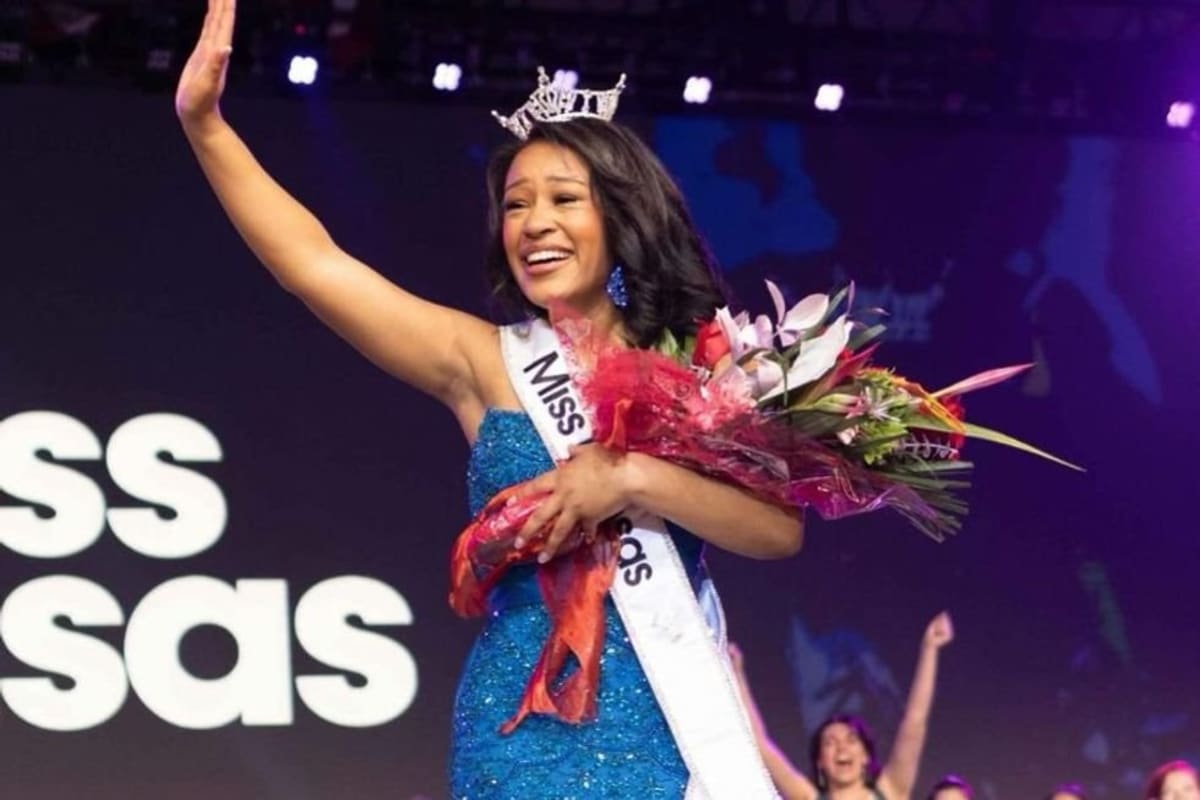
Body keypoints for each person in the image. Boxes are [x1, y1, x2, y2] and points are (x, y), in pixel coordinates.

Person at [175, 2, 802, 797]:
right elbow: (315, 265)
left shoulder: (705, 368)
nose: (534, 223)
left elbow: (778, 532)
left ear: (621, 215)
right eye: (515, 204)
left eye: (563, 199)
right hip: (518, 735)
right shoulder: (486, 361)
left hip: (671, 735)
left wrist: (631, 479)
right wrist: (206, 126)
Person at [730, 611, 954, 800]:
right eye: (830, 742)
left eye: (851, 739)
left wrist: (929, 649)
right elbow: (760, 745)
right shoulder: (807, 796)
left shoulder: (890, 791)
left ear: (866, 756)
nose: (841, 748)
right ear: (820, 762)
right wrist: (737, 675)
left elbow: (914, 724)